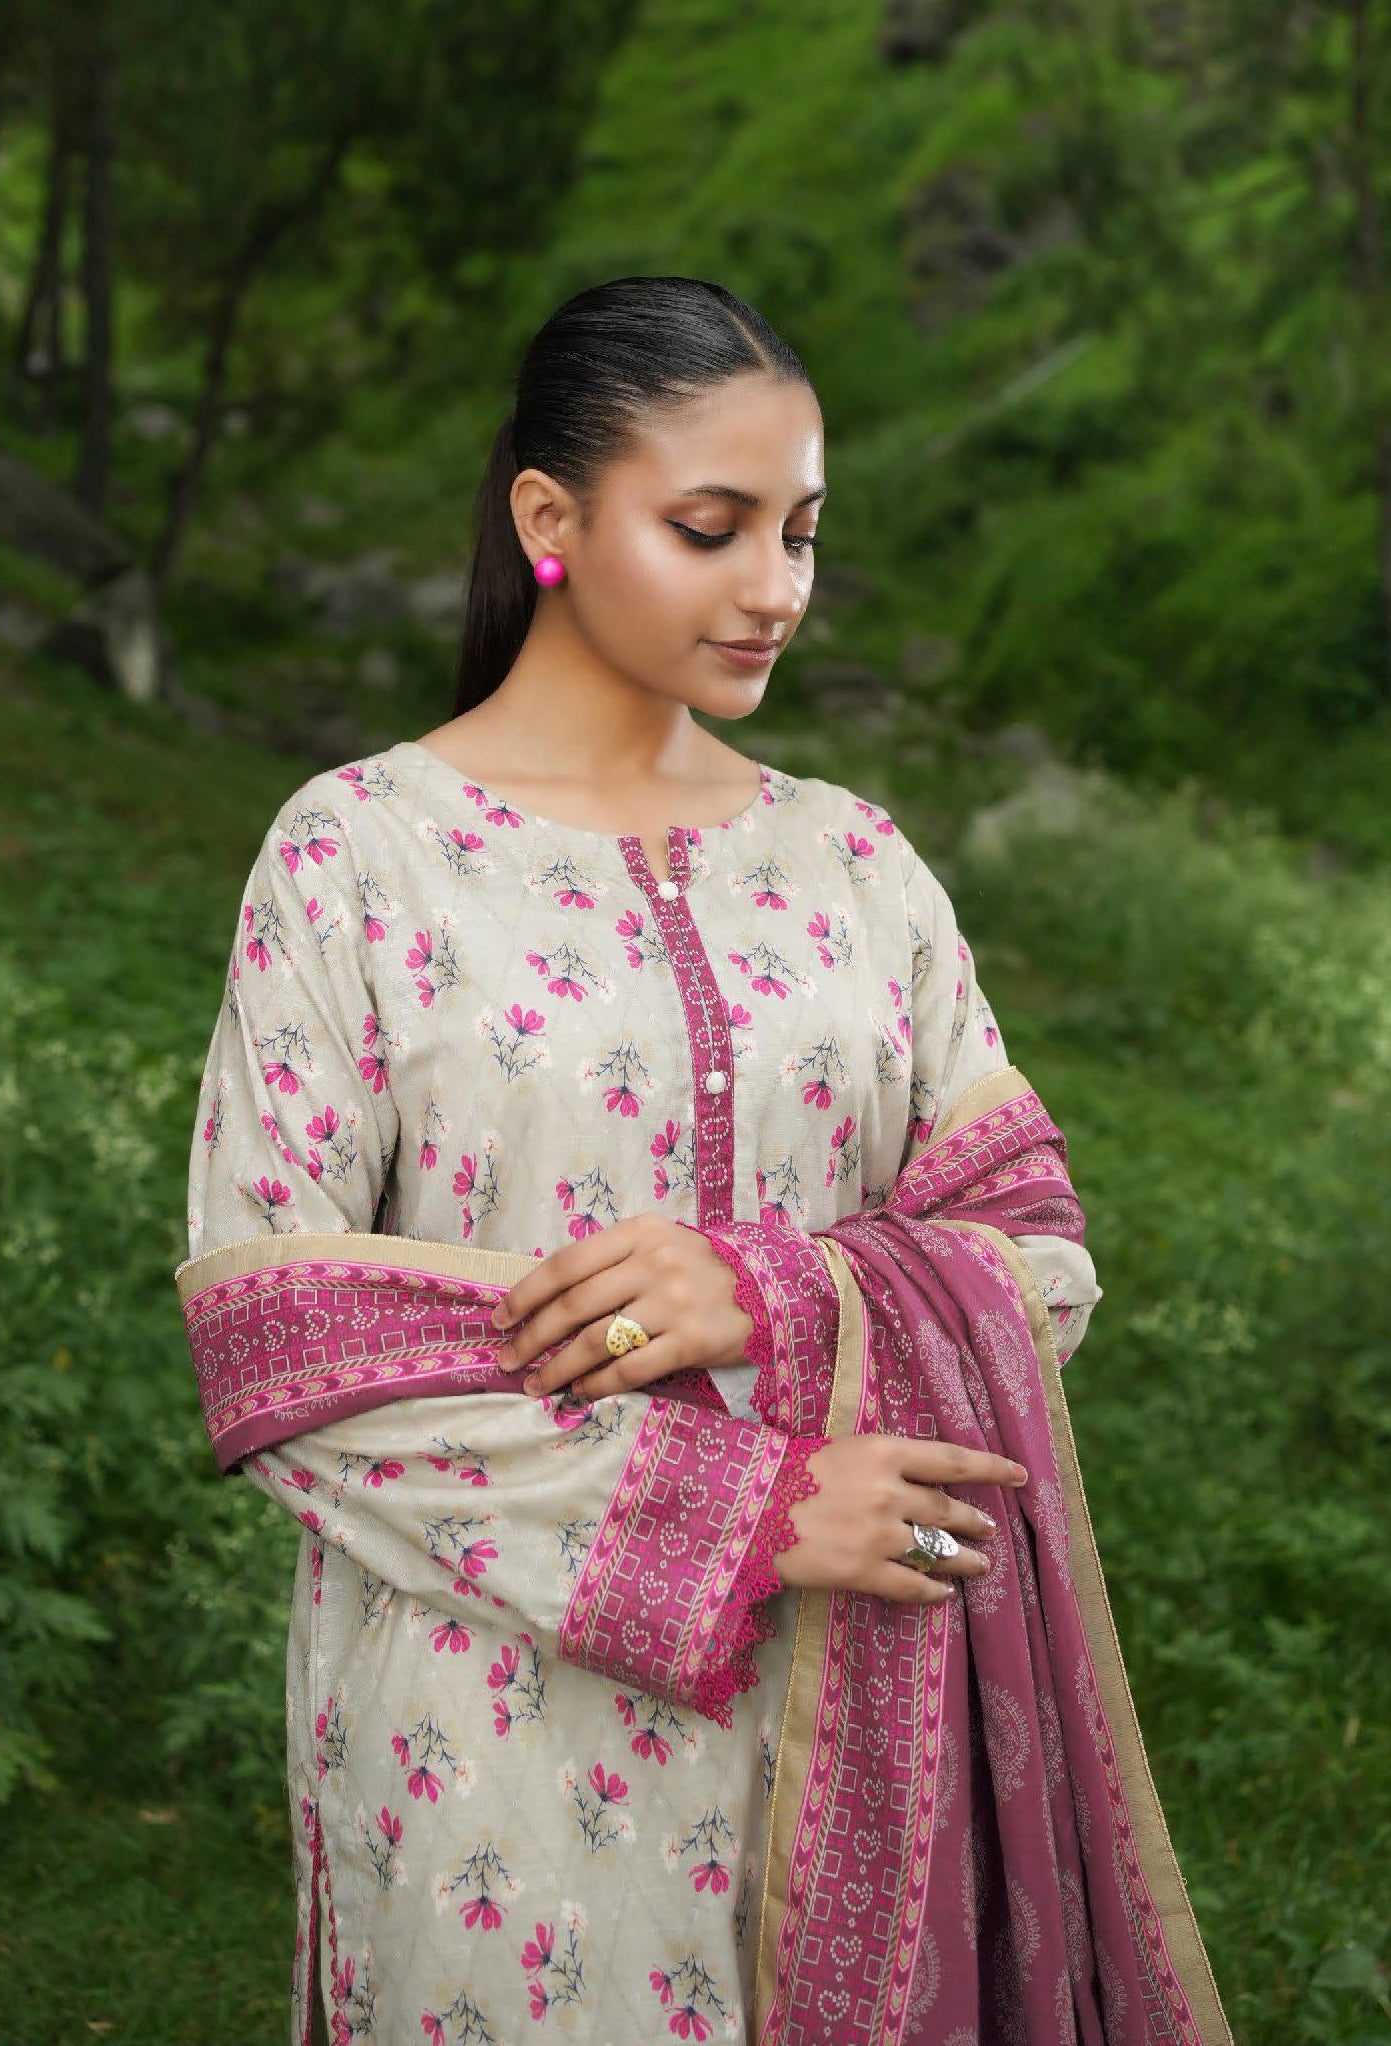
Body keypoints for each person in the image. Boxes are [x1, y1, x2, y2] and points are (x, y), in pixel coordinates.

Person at [177, 276, 1232, 2045]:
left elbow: (1034, 1247)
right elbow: (285, 1346)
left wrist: (768, 1289)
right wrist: (746, 1510)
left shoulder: (857, 869)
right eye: (711, 527)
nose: (777, 589)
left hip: (858, 1701)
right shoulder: (361, 857)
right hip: (488, 1728)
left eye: (803, 533)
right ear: (550, 520)